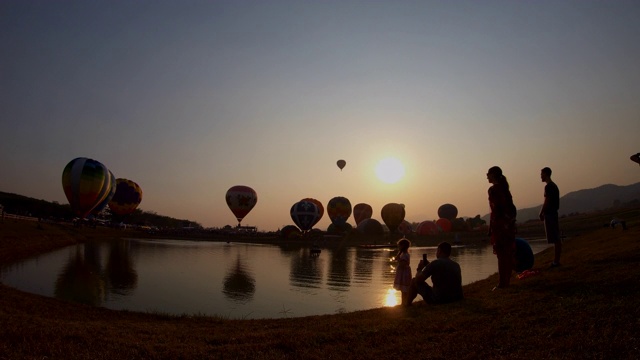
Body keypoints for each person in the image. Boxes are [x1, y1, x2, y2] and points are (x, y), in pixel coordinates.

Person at [487, 166, 517, 288]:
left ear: (493, 175)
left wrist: (493, 226)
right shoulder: (505, 189)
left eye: (488, 174)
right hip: (508, 225)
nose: (486, 176)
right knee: (508, 253)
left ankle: (502, 283)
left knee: (501, 255)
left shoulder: (493, 190)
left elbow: (495, 209)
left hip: (500, 226)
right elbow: (512, 208)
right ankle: (507, 281)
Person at [539, 167, 562, 267]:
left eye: (542, 174)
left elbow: (546, 200)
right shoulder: (554, 186)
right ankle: (556, 260)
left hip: (550, 214)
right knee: (555, 237)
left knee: (556, 238)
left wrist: (541, 212)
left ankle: (556, 261)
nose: (541, 176)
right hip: (553, 213)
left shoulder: (549, 187)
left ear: (546, 174)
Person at [393, 238, 413, 306]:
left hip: (404, 273)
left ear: (403, 246)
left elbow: (403, 264)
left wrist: (398, 259)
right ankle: (403, 302)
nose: (398, 247)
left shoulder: (405, 255)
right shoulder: (403, 254)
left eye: (399, 245)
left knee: (405, 290)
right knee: (403, 290)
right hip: (402, 273)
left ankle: (405, 302)